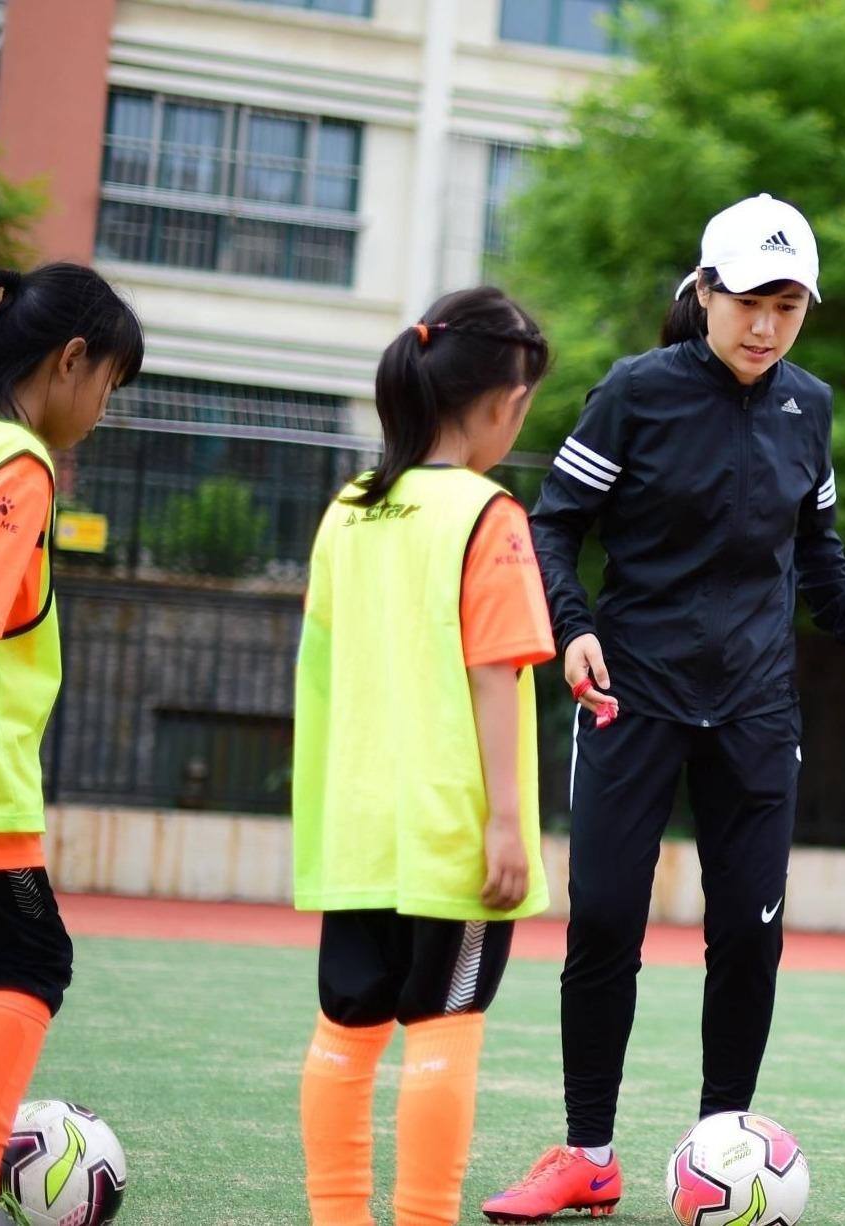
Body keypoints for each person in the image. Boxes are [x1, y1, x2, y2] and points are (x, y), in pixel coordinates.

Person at [483, 193, 845, 1222]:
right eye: (750, 301)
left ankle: (726, 1145)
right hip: (631, 695)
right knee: (606, 921)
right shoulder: (636, 392)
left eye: (789, 305)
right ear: (706, 292)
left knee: (750, 935)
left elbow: (816, 548)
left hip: (758, 709)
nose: (767, 326)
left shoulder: (810, 406)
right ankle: (589, 1151)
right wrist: (574, 625)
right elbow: (555, 527)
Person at [292, 287, 555, 1226]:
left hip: (355, 828)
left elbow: (325, 672)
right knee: (445, 1028)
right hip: (449, 834)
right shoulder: (488, 516)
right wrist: (505, 824)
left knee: (345, 1030)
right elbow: (494, 677)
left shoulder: (347, 514)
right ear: (502, 404)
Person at [0, 264, 143, 1226]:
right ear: (71, 360)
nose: (102, 409)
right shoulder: (17, 466)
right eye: (108, 387)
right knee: (33, 959)